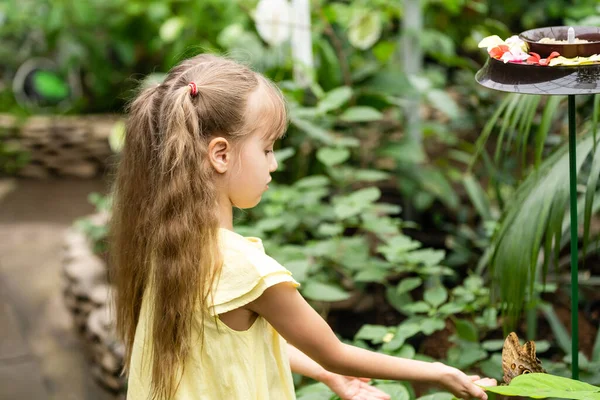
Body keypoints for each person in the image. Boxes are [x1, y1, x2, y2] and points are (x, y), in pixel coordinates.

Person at [110, 54, 497, 400]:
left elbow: (248, 341)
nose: (274, 164)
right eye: (267, 148)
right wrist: (439, 373)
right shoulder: (245, 269)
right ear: (221, 154)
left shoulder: (167, 247)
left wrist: (330, 376)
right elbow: (335, 351)